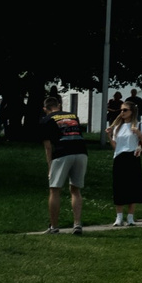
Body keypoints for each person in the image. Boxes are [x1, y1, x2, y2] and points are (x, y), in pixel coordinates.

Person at [39, 94, 89, 235]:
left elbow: (48, 147)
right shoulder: (73, 116)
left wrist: (50, 166)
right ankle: (77, 224)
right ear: (59, 106)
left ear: (45, 109)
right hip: (81, 152)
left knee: (55, 189)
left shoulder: (46, 120)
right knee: (75, 189)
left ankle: (54, 227)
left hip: (62, 153)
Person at [107, 98, 142, 226]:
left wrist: (139, 134)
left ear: (132, 111)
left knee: (133, 187)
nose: (122, 112)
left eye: (125, 110)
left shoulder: (139, 126)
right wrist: (109, 136)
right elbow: (116, 146)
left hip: (132, 157)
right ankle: (119, 217)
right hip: (120, 158)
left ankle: (130, 217)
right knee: (119, 187)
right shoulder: (117, 127)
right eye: (121, 110)